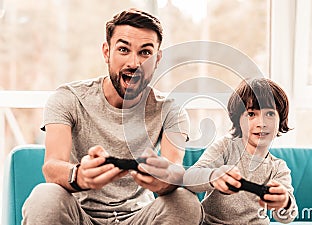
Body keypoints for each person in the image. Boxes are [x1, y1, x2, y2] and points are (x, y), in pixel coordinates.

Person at [22, 8, 202, 225]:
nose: (134, 63)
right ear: (107, 52)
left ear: (157, 59)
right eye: (124, 49)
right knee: (45, 195)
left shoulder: (171, 110)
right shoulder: (68, 98)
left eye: (145, 52)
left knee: (184, 201)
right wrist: (79, 175)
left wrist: (162, 178)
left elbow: (174, 168)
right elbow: (52, 166)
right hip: (80, 216)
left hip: (139, 218)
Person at [183, 78, 298, 224]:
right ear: (238, 120)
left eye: (269, 114)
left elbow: (287, 217)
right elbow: (190, 179)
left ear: (281, 119)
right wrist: (213, 176)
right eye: (251, 114)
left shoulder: (278, 168)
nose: (261, 123)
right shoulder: (225, 147)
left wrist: (285, 202)